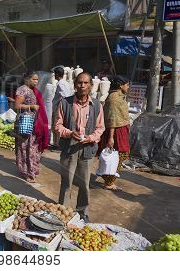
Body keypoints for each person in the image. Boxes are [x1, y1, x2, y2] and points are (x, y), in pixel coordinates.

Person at [54, 72, 105, 222]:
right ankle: (63, 212)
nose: (82, 86)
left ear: (90, 86)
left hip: (87, 148)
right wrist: (70, 133)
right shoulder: (65, 103)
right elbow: (57, 126)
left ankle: (83, 212)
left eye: (85, 83)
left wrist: (91, 137)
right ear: (75, 85)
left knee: (84, 183)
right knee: (66, 182)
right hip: (69, 147)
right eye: (79, 83)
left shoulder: (96, 105)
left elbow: (100, 128)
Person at [14, 71, 50, 183]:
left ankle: (31, 170)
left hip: (34, 123)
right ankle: (27, 172)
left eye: (37, 79)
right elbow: (17, 105)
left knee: (33, 148)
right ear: (27, 79)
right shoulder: (23, 89)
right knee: (25, 147)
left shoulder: (33, 90)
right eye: (34, 79)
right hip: (26, 122)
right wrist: (31, 106)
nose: (36, 81)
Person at [98, 76, 130, 191]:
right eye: (127, 84)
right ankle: (109, 181)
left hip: (121, 129)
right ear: (121, 85)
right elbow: (112, 119)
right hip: (115, 131)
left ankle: (110, 179)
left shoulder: (119, 97)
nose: (128, 87)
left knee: (120, 155)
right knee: (115, 155)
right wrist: (111, 137)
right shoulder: (114, 98)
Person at [51, 66, 74, 147]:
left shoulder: (61, 84)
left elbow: (65, 96)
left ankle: (57, 144)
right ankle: (56, 143)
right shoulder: (65, 83)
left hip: (59, 107)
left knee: (56, 125)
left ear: (57, 74)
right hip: (61, 107)